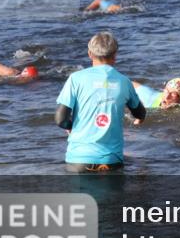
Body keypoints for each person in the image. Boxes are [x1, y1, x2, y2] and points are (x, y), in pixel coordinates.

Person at [54, 31, 146, 172]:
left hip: (79, 159)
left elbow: (60, 119)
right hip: (111, 161)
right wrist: (140, 118)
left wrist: (70, 126)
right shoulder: (124, 82)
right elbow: (140, 112)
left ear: (90, 54)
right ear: (115, 56)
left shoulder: (75, 79)